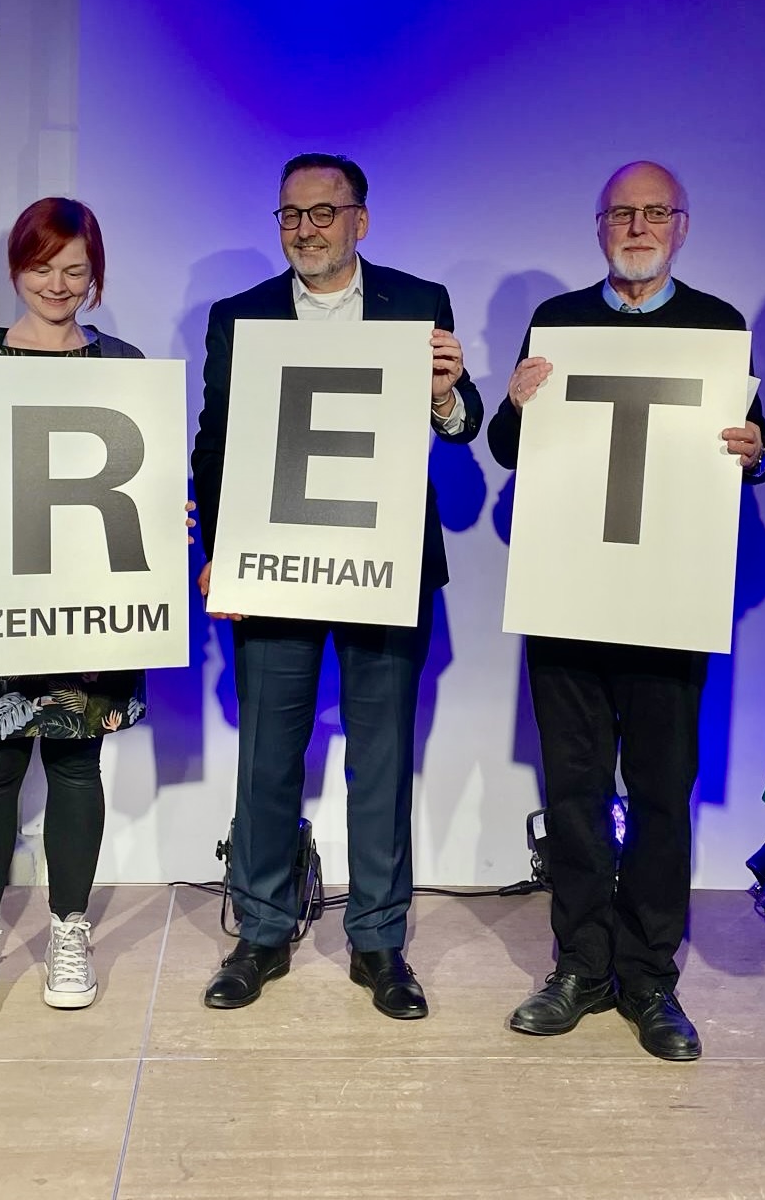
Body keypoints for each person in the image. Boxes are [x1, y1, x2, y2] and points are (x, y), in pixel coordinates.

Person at [488, 160, 765, 1061]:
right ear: (600, 227)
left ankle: (651, 978)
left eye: (655, 212)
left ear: (683, 226)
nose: (638, 225)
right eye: (622, 212)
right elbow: (507, 448)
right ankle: (579, 963)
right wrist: (515, 401)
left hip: (667, 598)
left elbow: (755, 453)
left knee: (659, 794)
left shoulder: (718, 327)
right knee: (574, 793)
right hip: (571, 596)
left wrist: (758, 447)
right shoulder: (560, 324)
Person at [191, 153, 482, 1018]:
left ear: (361, 219)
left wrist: (447, 395)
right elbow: (216, 441)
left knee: (383, 756)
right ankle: (262, 929)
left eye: (323, 212)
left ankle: (380, 940)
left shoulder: (417, 303)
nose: (305, 228)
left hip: (382, 563)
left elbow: (461, 424)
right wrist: (219, 544)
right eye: (289, 214)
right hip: (275, 566)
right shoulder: (237, 315)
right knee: (268, 755)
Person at [0, 196, 171, 1025]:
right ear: (16, 265)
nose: (58, 283)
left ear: (96, 275)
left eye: (75, 269)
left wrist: (169, 513)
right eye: (43, 266)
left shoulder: (124, 362)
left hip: (92, 594)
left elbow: (146, 477)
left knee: (78, 763)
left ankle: (69, 931)